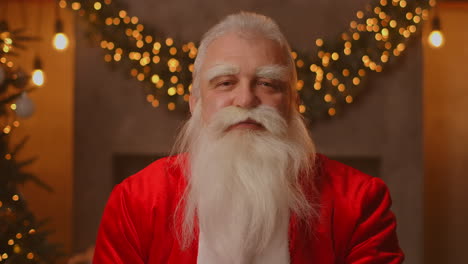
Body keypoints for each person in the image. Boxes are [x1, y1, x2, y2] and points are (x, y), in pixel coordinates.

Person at [93, 12, 404, 264]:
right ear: (195, 103)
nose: (245, 99)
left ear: (293, 103)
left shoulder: (360, 201)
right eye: (225, 82)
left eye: (268, 83)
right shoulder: (135, 200)